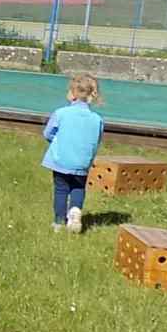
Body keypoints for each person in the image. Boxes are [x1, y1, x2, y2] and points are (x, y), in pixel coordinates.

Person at [42, 73, 104, 234]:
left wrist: (58, 141)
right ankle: (75, 210)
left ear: (73, 93)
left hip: (61, 160)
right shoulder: (97, 119)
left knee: (61, 189)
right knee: (78, 187)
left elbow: (47, 133)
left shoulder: (61, 113)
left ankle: (58, 222)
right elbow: (97, 140)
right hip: (82, 162)